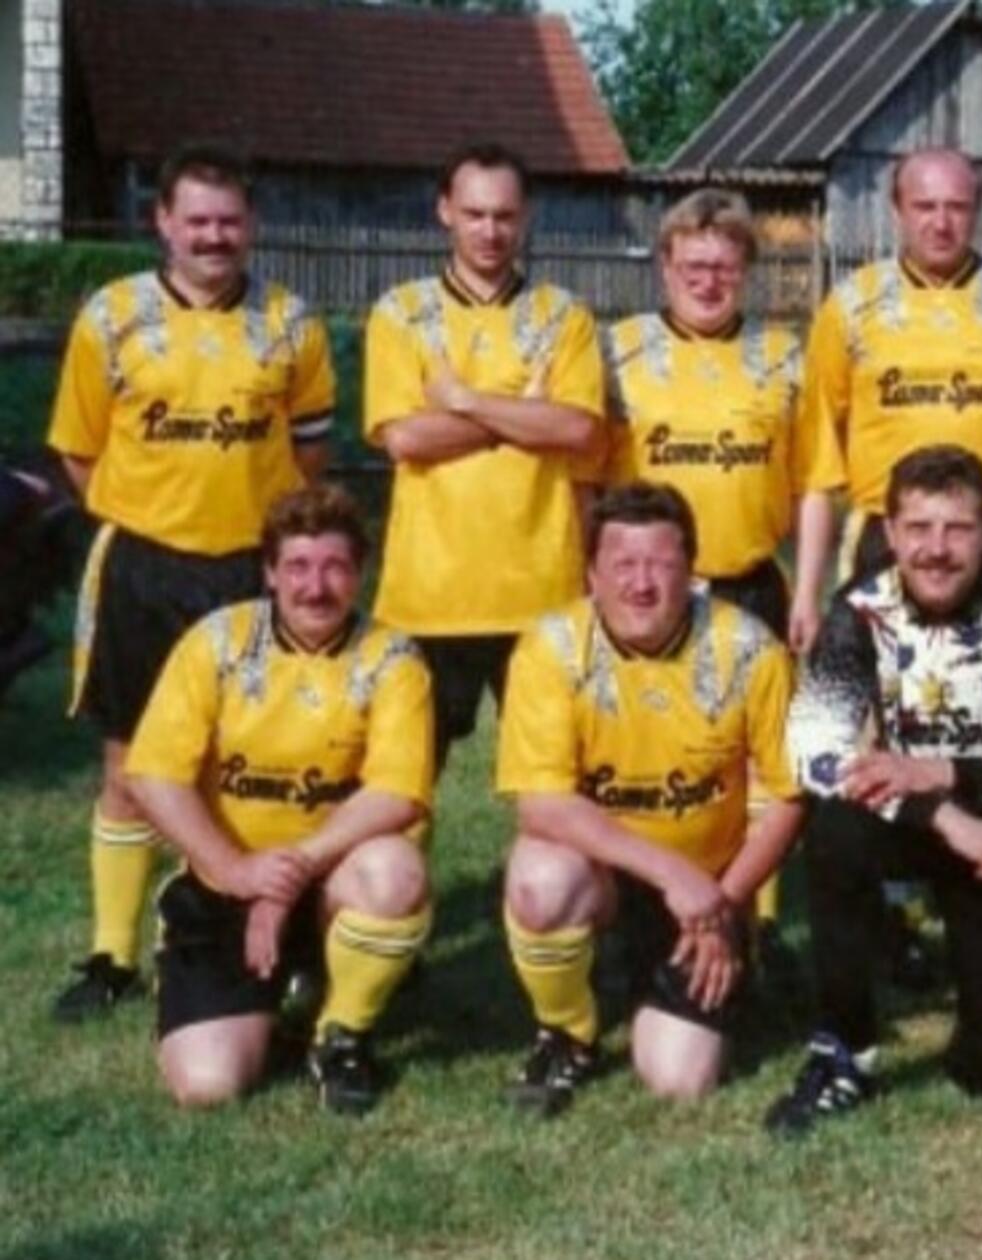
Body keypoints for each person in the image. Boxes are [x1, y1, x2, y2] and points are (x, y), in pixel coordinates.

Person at [47, 144, 335, 1021]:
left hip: (250, 572)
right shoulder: (112, 316)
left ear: (252, 225)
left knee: (254, 761)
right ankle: (111, 954)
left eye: (230, 220)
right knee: (132, 762)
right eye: (197, 220)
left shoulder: (291, 323)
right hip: (142, 567)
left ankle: (261, 935)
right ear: (162, 223)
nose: (214, 236)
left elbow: (310, 454)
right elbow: (76, 447)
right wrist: (150, 518)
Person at [765, 445, 982, 1135]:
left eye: (956, 528)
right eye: (918, 528)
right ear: (888, 533)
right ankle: (844, 1047)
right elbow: (811, 748)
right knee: (832, 825)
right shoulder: (859, 608)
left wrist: (956, 773)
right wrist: (943, 813)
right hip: (916, 817)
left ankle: (976, 967)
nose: (936, 549)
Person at [123, 485, 433, 1113]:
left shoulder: (393, 659)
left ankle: (339, 1032)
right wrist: (238, 871)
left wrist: (284, 878)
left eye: (334, 567)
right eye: (297, 567)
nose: (315, 587)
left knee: (395, 872)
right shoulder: (216, 643)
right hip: (224, 880)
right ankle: (275, 993)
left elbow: (396, 795)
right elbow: (153, 777)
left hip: (326, 878)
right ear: (268, 572)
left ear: (360, 573)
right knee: (208, 1087)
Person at [495, 483, 803, 1115]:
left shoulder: (751, 651)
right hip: (609, 879)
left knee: (679, 1079)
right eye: (623, 566)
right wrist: (670, 874)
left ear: (691, 572)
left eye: (661, 565)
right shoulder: (550, 649)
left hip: (712, 893)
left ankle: (695, 972)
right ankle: (568, 1032)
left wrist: (723, 907)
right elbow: (542, 805)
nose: (641, 584)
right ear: (592, 575)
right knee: (538, 880)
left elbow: (789, 800)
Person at [601, 188, 838, 978]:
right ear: (664, 266)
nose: (708, 281)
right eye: (693, 265)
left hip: (747, 583)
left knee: (755, 764)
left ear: (748, 273)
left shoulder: (781, 358)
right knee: (642, 752)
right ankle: (627, 911)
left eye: (725, 267)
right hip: (645, 594)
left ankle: (747, 924)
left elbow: (813, 482)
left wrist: (806, 592)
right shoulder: (621, 352)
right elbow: (586, 482)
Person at [364, 142, 605, 769]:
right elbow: (405, 439)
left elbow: (578, 429)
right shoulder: (401, 315)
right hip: (430, 590)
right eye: (474, 214)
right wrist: (523, 419)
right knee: (407, 776)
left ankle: (542, 874)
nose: (490, 231)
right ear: (445, 210)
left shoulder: (563, 317)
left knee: (557, 774)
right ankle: (399, 875)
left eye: (504, 215)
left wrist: (463, 401)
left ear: (526, 216)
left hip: (542, 589)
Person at [800, 147, 982, 581]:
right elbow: (824, 428)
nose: (940, 223)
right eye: (924, 206)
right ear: (897, 209)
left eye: (956, 207)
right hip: (888, 533)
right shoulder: (850, 305)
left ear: (978, 210)